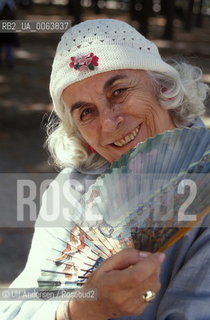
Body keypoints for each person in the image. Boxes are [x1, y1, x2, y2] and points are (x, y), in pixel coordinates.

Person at [0, 18, 210, 320]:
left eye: (119, 91)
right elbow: (17, 310)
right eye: (86, 112)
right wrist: (78, 310)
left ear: (162, 86)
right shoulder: (72, 189)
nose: (110, 123)